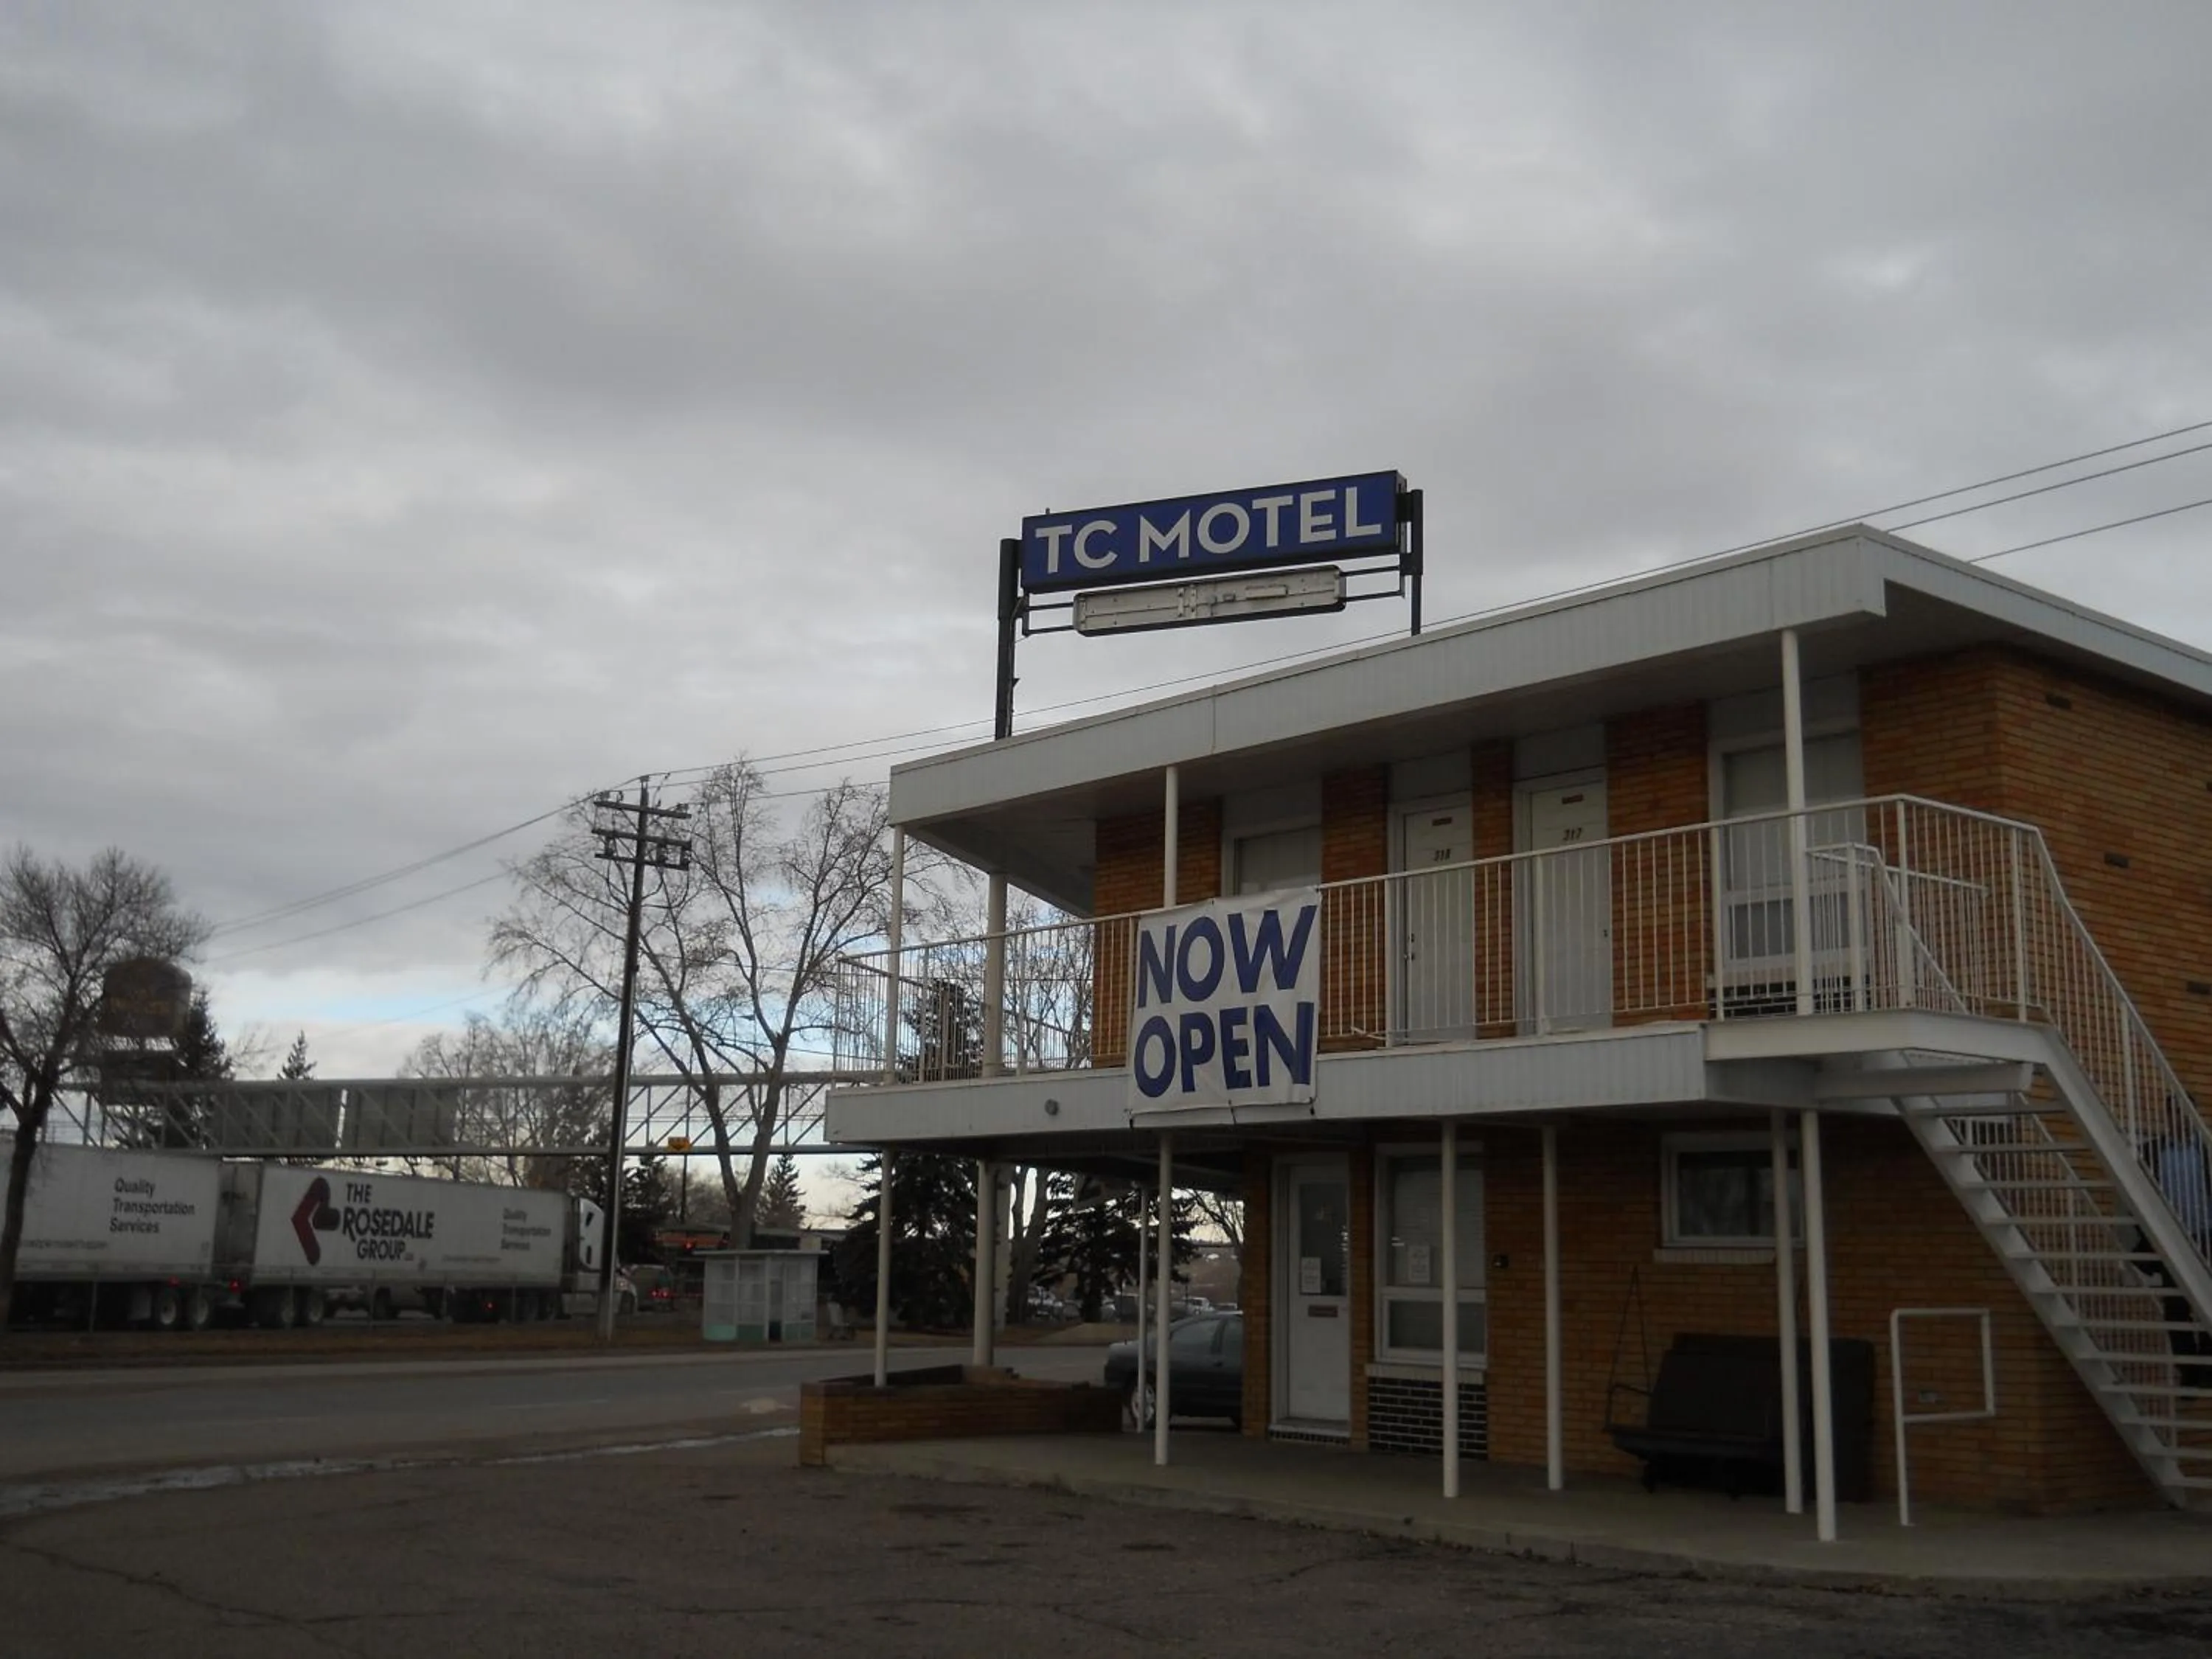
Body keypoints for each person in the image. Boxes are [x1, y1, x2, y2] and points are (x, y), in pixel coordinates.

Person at [2135, 1130, 2212, 1389]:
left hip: (2206, 1237)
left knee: (2208, 1300)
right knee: (2177, 1308)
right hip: (2171, 1240)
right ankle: (2188, 1370)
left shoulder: (2205, 1150)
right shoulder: (2152, 1151)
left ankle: (2206, 1364)